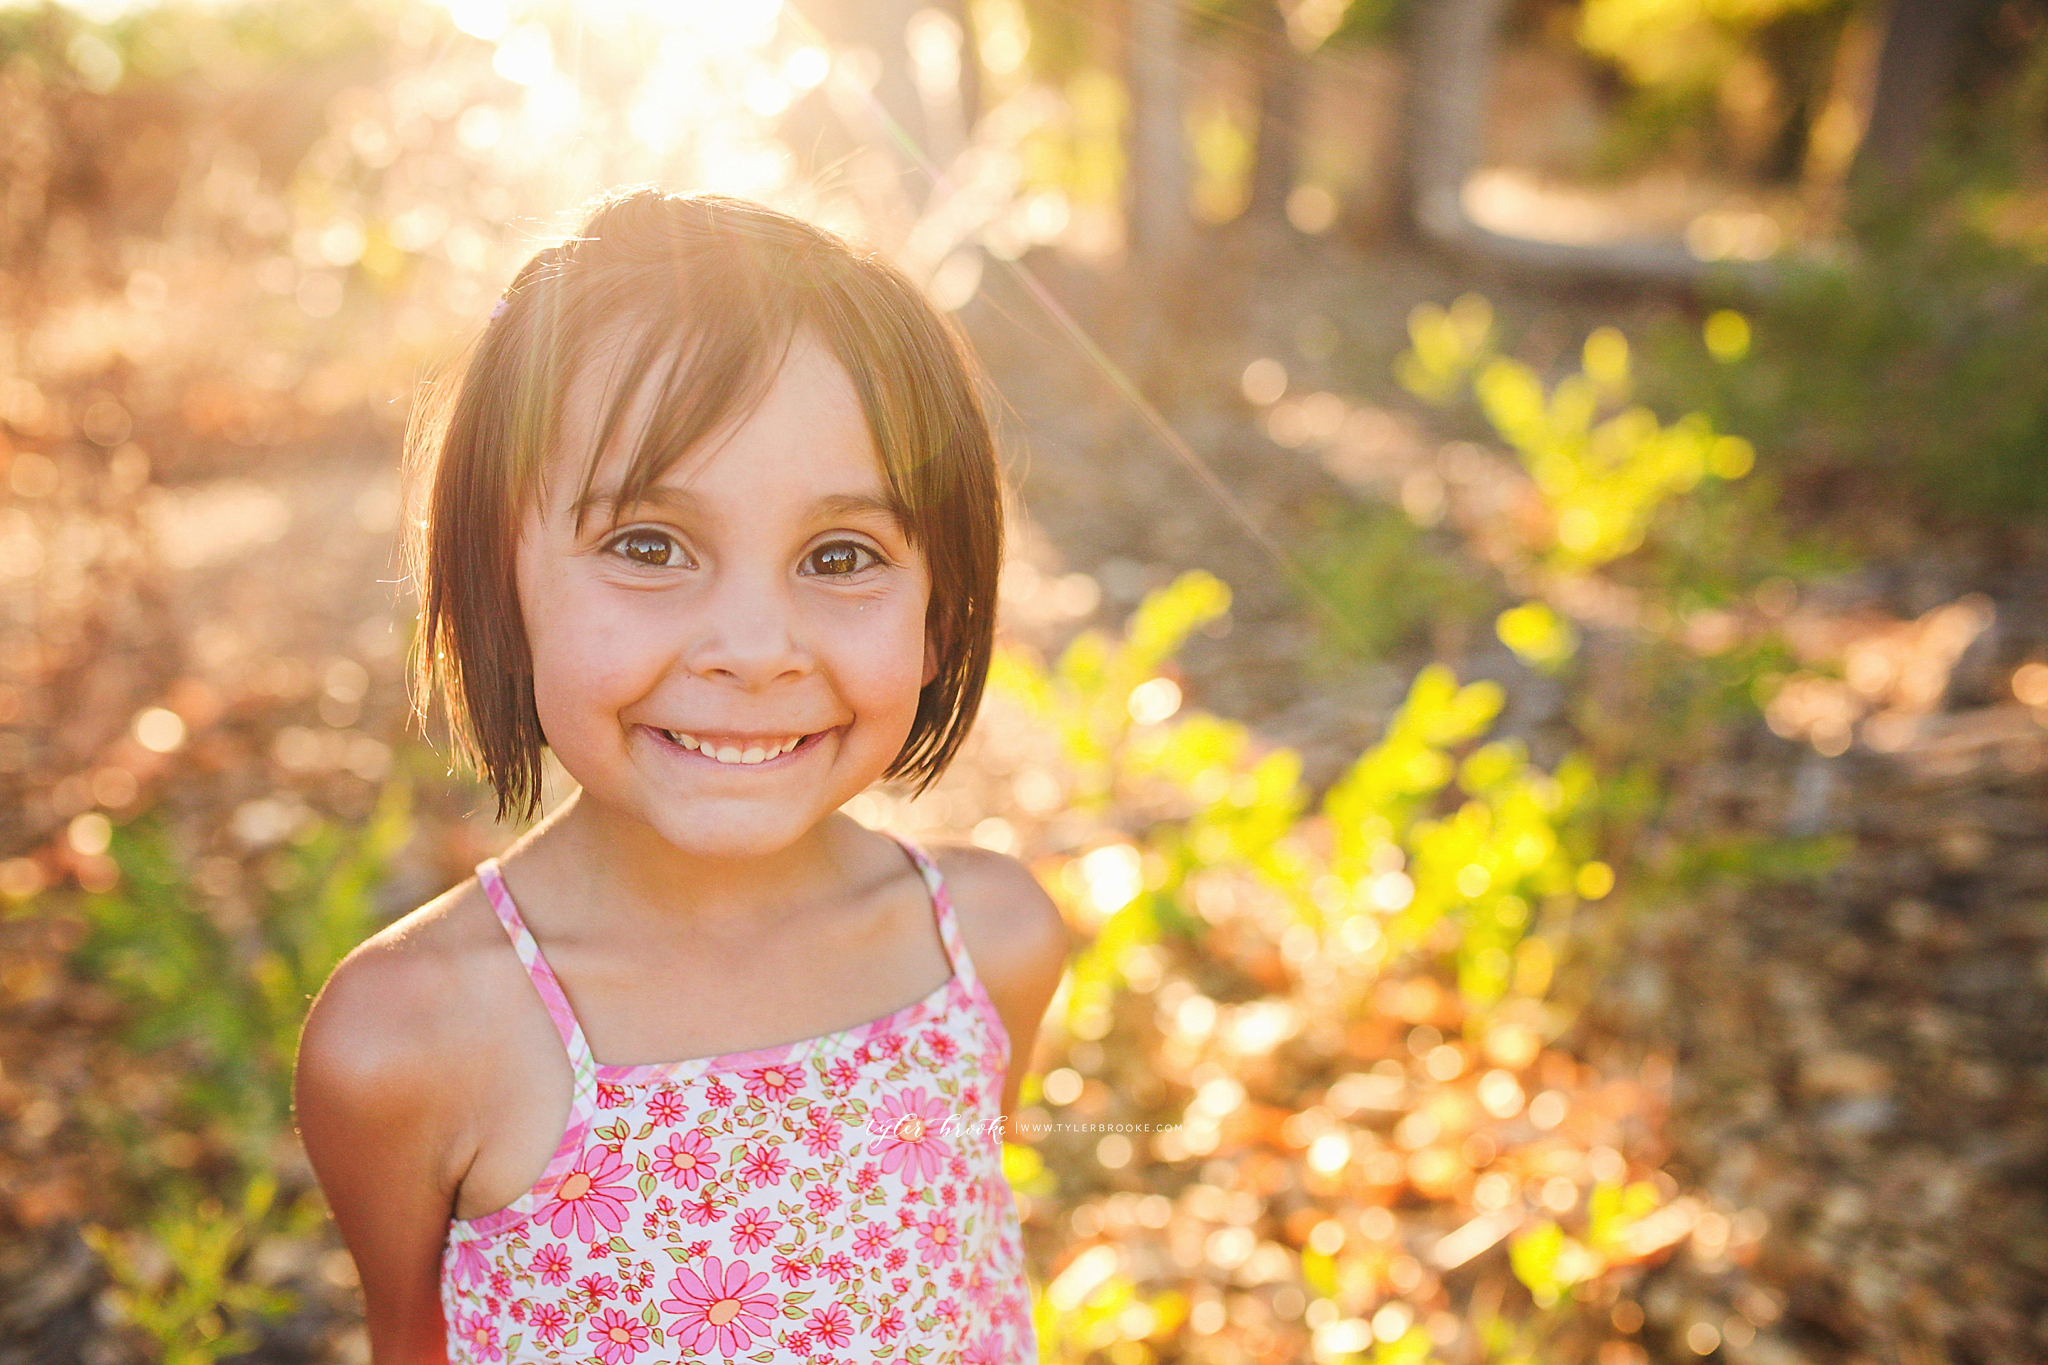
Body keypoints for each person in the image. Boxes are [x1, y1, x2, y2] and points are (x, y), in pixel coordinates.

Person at [293, 187, 1071, 1364]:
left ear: (939, 608)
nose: (753, 650)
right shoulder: (410, 1041)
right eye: (647, 546)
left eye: (841, 554)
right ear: (499, 579)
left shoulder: (986, 948)